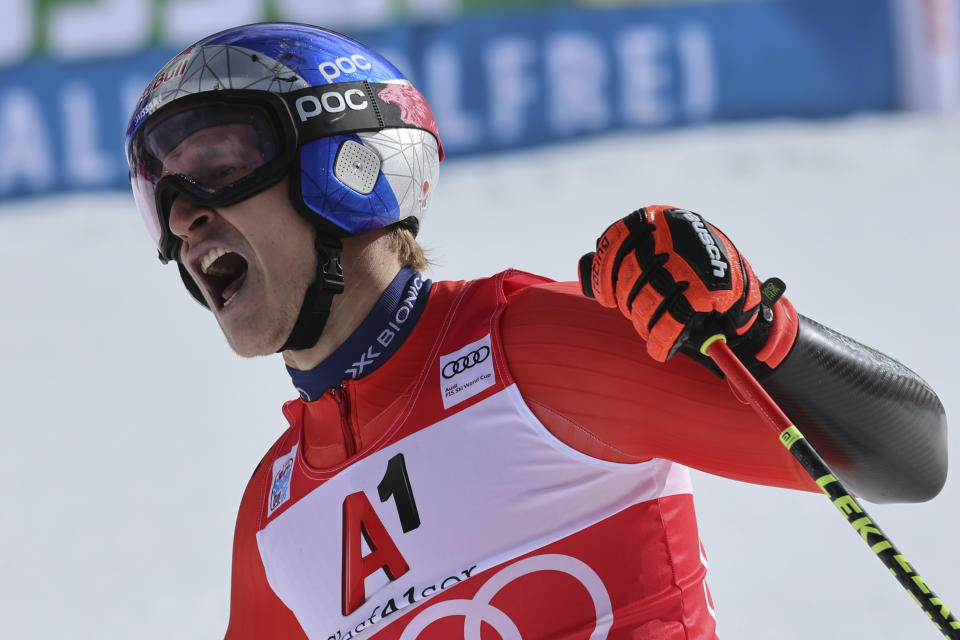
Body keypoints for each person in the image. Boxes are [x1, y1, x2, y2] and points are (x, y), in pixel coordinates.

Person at [124, 23, 947, 640]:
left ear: (346, 166)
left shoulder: (529, 350)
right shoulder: (274, 512)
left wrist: (761, 331)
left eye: (222, 167)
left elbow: (909, 457)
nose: (184, 215)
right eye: (160, 191)